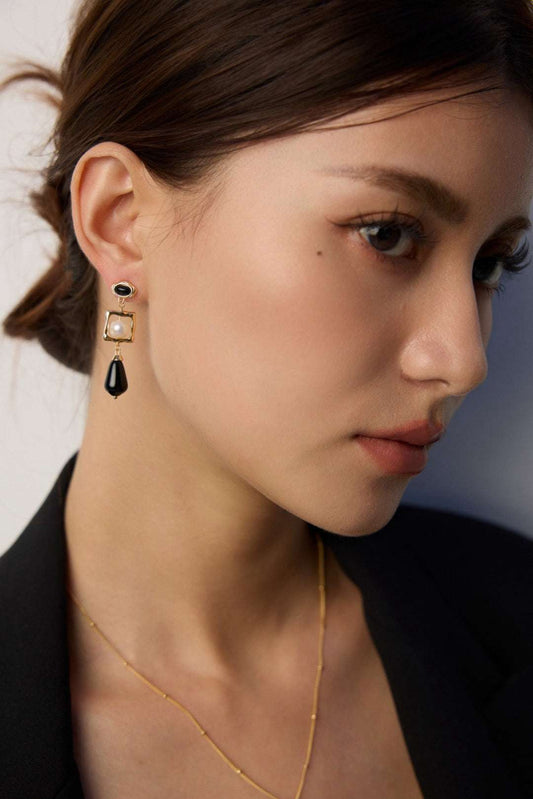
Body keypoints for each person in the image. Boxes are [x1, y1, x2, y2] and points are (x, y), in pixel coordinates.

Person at [1, 0, 533, 797]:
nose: (462, 360)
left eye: (489, 263)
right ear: (120, 219)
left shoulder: (515, 619)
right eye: (386, 233)